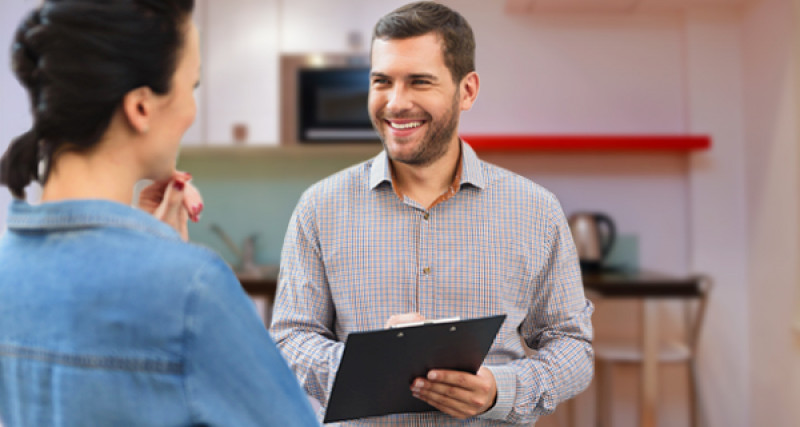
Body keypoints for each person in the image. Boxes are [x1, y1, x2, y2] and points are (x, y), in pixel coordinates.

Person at [271, 1, 594, 425]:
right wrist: (372, 367)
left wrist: (501, 389)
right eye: (382, 81)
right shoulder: (320, 207)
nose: (395, 103)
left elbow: (572, 346)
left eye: (419, 82)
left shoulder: (535, 209)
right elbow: (290, 338)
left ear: (468, 90)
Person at [0, 1, 318, 426]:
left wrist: (152, 247)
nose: (192, 109)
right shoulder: (191, 288)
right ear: (141, 108)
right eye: (193, 86)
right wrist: (168, 264)